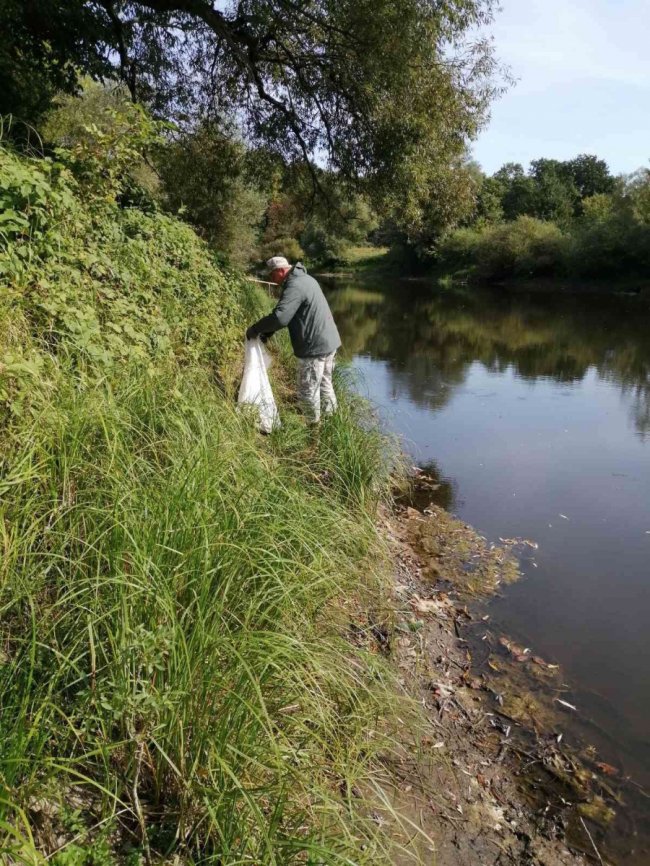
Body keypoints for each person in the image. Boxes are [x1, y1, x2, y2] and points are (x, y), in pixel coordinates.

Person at [246, 256, 341, 423]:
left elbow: (280, 318)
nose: (271, 279)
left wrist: (255, 329)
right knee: (325, 383)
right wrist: (267, 333)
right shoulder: (305, 279)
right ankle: (331, 423)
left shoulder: (295, 285)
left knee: (307, 390)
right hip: (329, 342)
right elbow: (290, 314)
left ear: (281, 271)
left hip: (314, 348)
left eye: (272, 275)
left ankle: (313, 430)